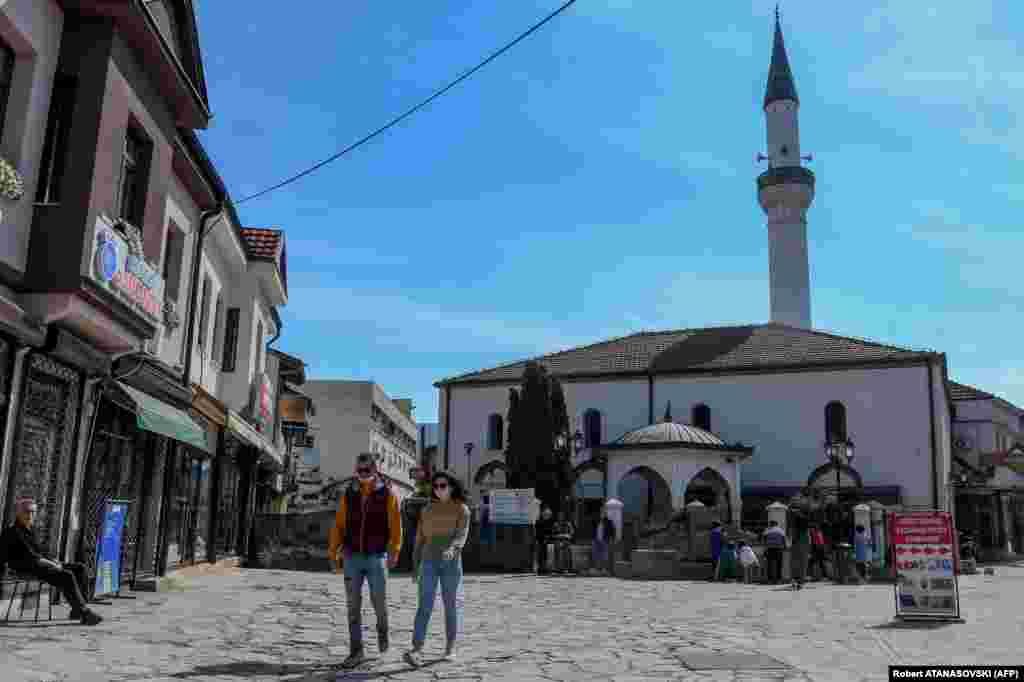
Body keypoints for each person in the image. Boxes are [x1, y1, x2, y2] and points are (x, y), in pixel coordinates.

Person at [327, 453, 402, 669]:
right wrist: (333, 553)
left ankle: (382, 631)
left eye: (366, 471)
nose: (362, 475)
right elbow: (339, 525)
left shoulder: (388, 493)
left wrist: (395, 550)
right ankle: (356, 651)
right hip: (351, 556)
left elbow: (396, 524)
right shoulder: (348, 494)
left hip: (377, 556)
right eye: (359, 471)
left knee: (379, 602)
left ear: (375, 470)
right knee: (353, 606)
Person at [0, 498, 102, 625]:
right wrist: (55, 565)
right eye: (27, 512)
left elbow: (40, 552)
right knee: (66, 575)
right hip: (26, 568)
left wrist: (54, 561)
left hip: (39, 564)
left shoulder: (31, 529)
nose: (30, 515)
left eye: (33, 512)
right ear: (18, 513)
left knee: (79, 568)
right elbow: (33, 557)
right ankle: (85, 613)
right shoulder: (13, 531)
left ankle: (77, 609)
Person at [404, 472, 470, 667]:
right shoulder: (427, 510)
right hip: (429, 561)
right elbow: (419, 540)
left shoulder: (462, 509)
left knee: (451, 606)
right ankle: (416, 649)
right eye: (436, 486)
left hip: (451, 563)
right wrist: (415, 566)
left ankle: (450, 648)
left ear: (451, 486)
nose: (439, 490)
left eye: (443, 486)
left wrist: (452, 549)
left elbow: (462, 535)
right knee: (424, 605)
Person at [591, 509, 615, 576]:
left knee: (605, 556)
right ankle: (597, 569)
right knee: (596, 555)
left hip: (605, 540)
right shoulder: (596, 520)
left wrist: (611, 539)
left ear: (606, 514)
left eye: (604, 513)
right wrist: (592, 538)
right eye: (601, 512)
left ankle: (604, 569)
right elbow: (592, 529)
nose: (602, 514)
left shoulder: (609, 521)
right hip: (596, 540)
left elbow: (612, 531)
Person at [762, 520, 786, 584]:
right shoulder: (780, 530)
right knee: (779, 565)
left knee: (769, 565)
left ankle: (769, 580)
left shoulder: (767, 530)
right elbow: (784, 540)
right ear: (777, 524)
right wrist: (784, 547)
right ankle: (779, 579)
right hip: (779, 548)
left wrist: (765, 548)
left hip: (770, 549)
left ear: (770, 524)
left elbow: (764, 540)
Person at [535, 506, 554, 575]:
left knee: (545, 556)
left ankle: (545, 568)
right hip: (540, 540)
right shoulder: (539, 521)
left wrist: (548, 537)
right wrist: (543, 538)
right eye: (546, 514)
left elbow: (551, 531)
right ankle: (540, 569)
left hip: (547, 541)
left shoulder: (550, 522)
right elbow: (537, 532)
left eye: (549, 515)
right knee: (541, 555)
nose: (548, 515)